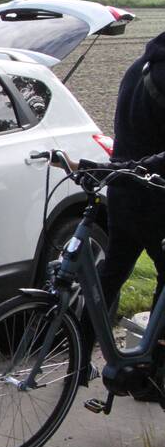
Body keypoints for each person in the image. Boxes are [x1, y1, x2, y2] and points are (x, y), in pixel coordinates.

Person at [56, 30, 165, 315]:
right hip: (154, 191)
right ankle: (155, 345)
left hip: (123, 189)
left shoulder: (140, 66)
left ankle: (81, 341)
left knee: (113, 272)